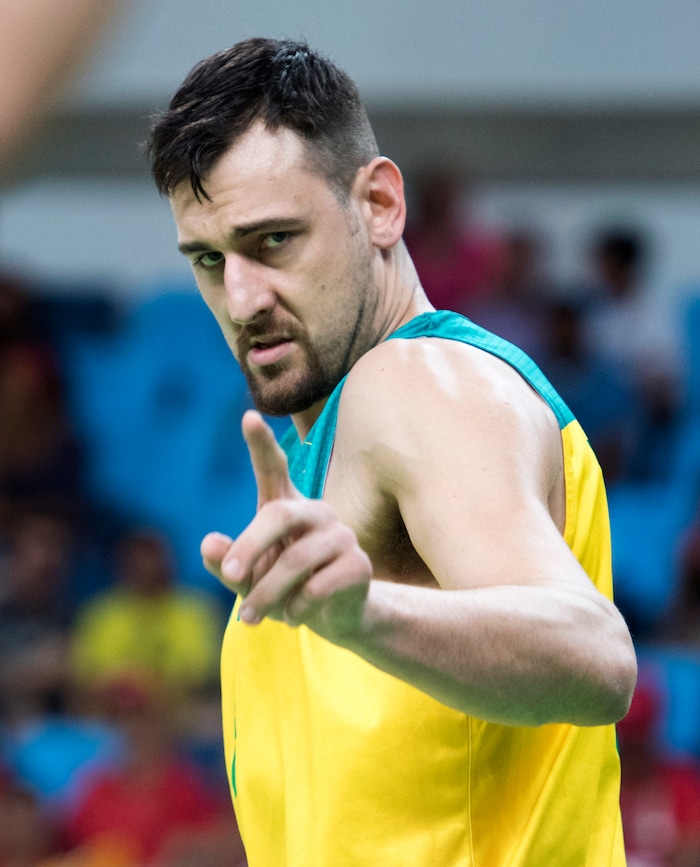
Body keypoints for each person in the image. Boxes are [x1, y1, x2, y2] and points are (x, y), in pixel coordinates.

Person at [147, 37, 637, 866]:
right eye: (208, 259)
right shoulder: (345, 429)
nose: (240, 299)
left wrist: (362, 613)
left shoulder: (417, 383)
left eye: (272, 242)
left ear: (378, 204)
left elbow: (594, 656)